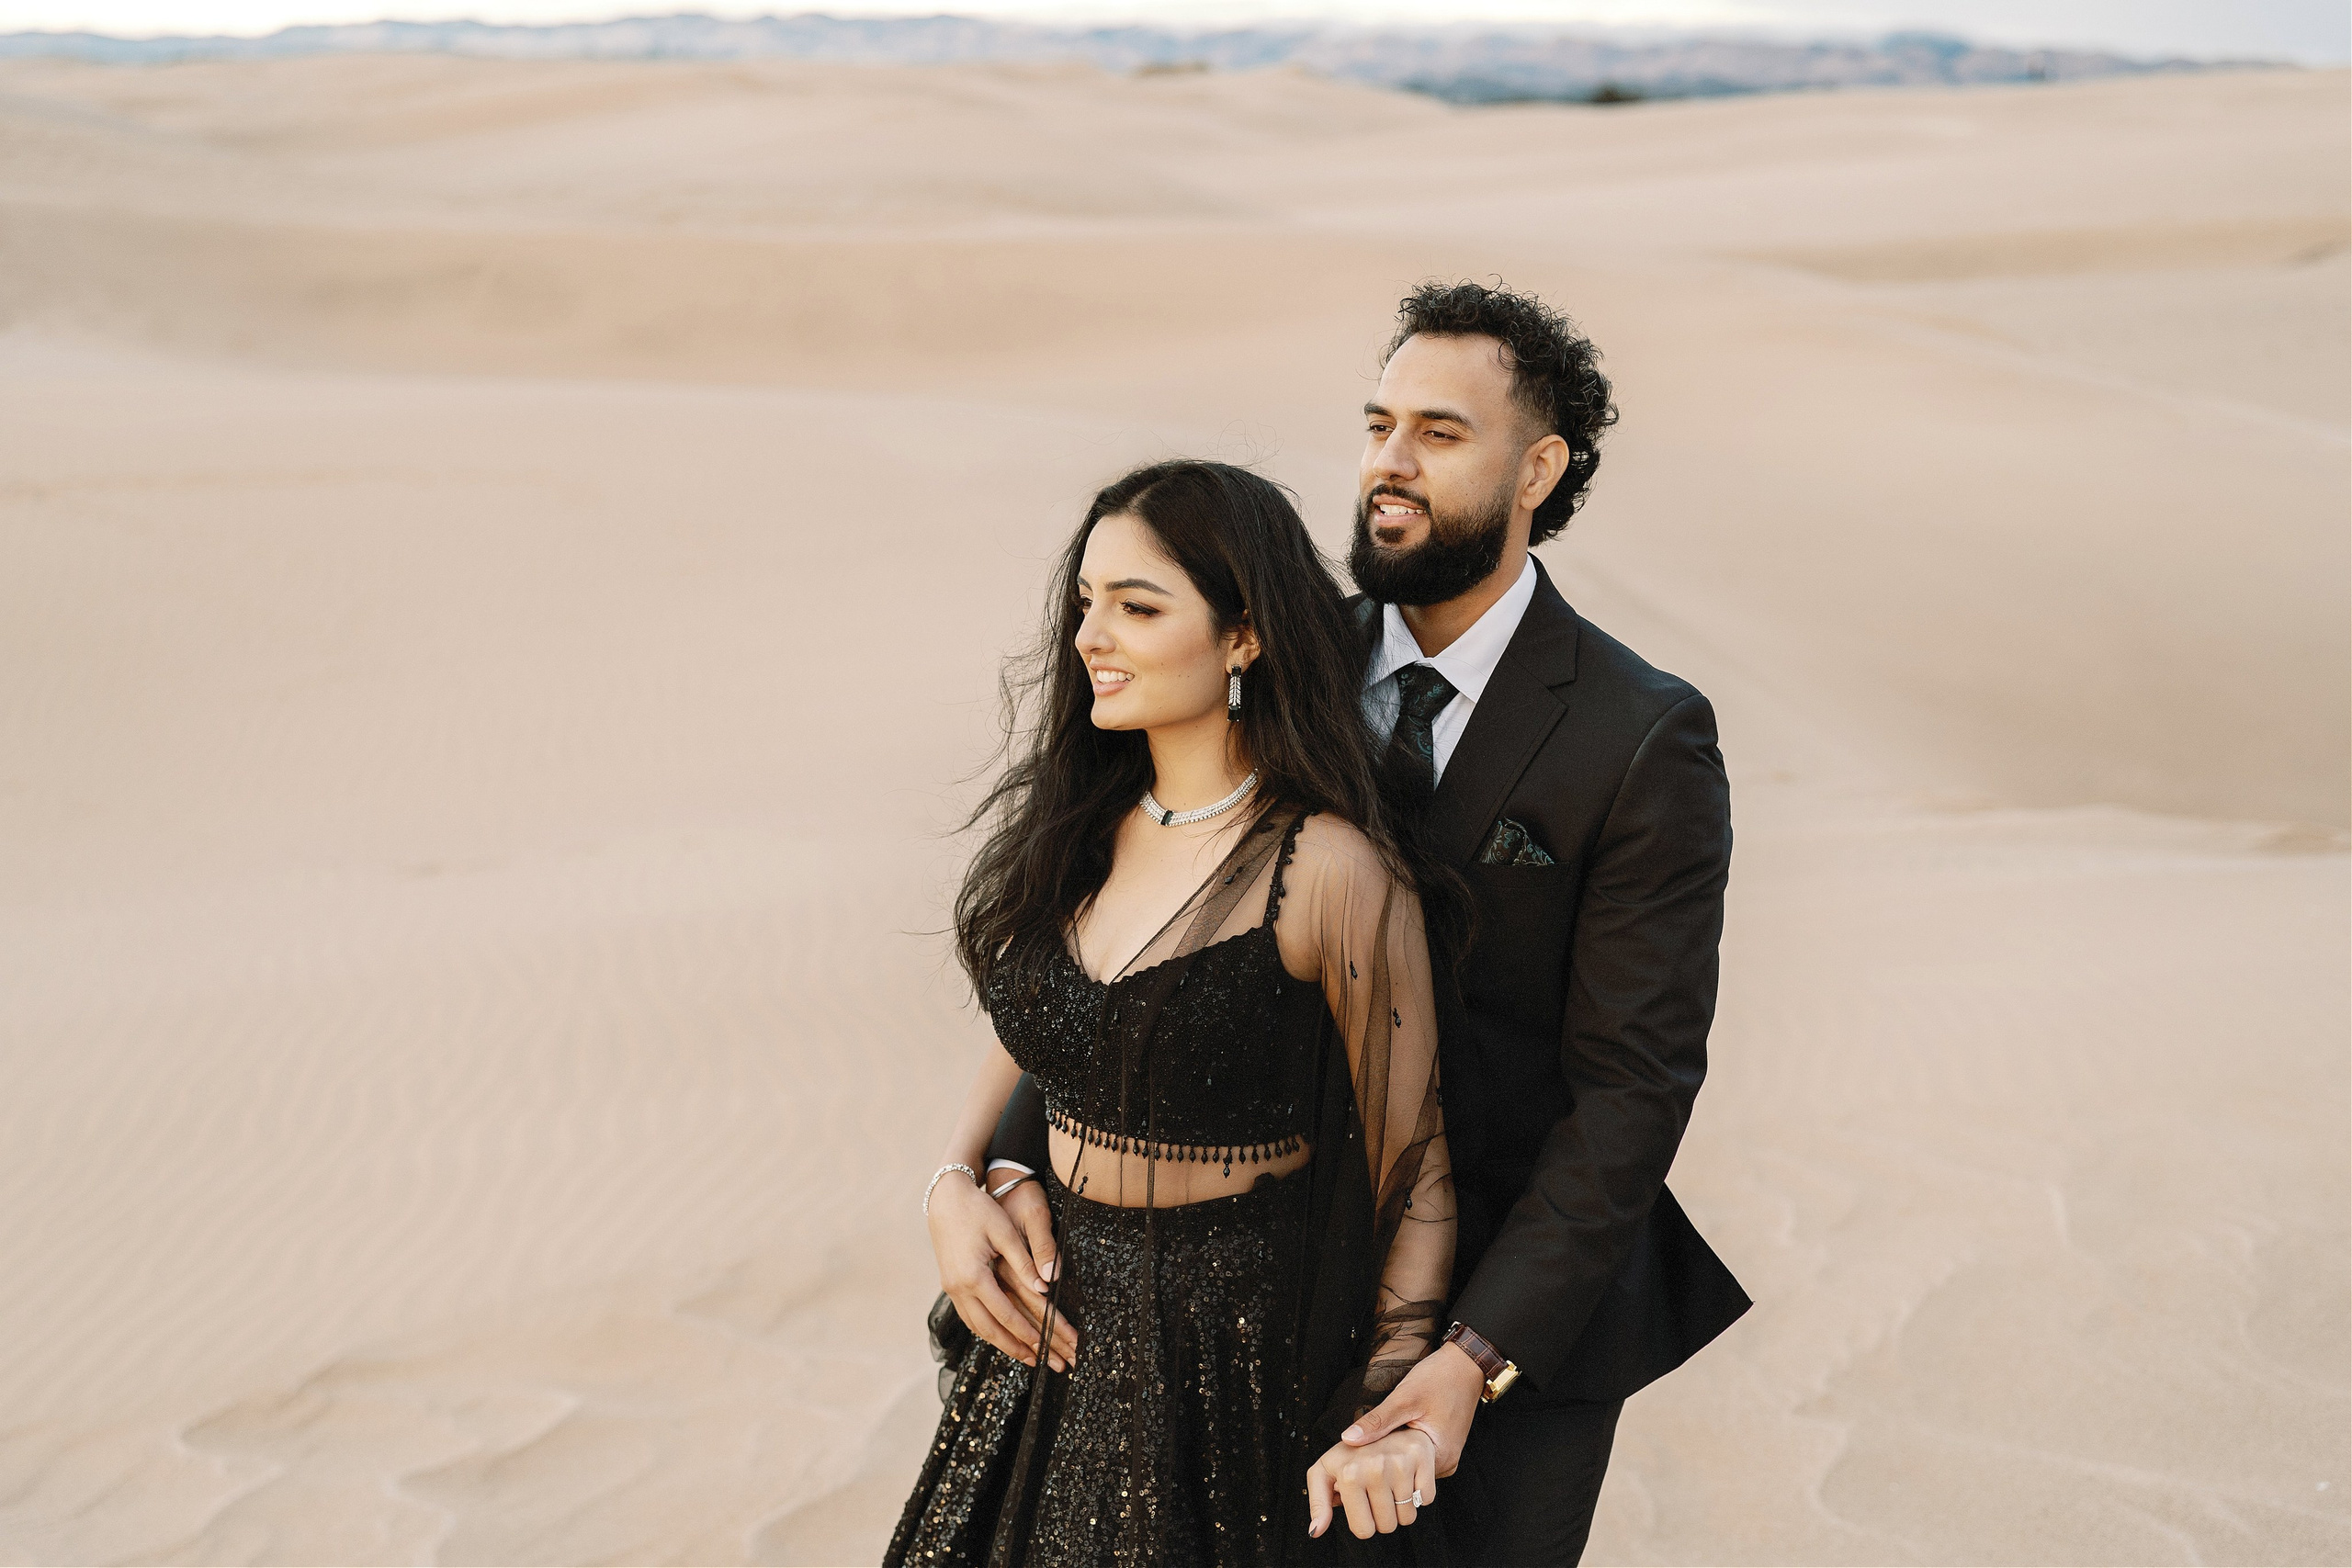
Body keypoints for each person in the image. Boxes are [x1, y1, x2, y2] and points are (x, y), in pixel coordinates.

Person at [967, 282, 1751, 1564]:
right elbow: (1123, 940)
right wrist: (994, 1165)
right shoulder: (1268, 655)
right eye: (1378, 422)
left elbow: (1631, 1089)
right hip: (1250, 1299)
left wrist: (1468, 1360)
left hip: (1506, 1316)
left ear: (1538, 468)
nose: (1389, 461)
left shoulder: (1638, 732)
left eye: (1439, 433)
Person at [888, 459, 1467, 1567]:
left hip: (1226, 1365)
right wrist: (955, 1180)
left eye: (1137, 607)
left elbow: (1416, 1170)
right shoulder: (1078, 832)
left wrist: (1383, 1407)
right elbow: (1041, 1037)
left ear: (1243, 636)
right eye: (1086, 604)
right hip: (1046, 1347)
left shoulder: (1326, 870)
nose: (1090, 637)